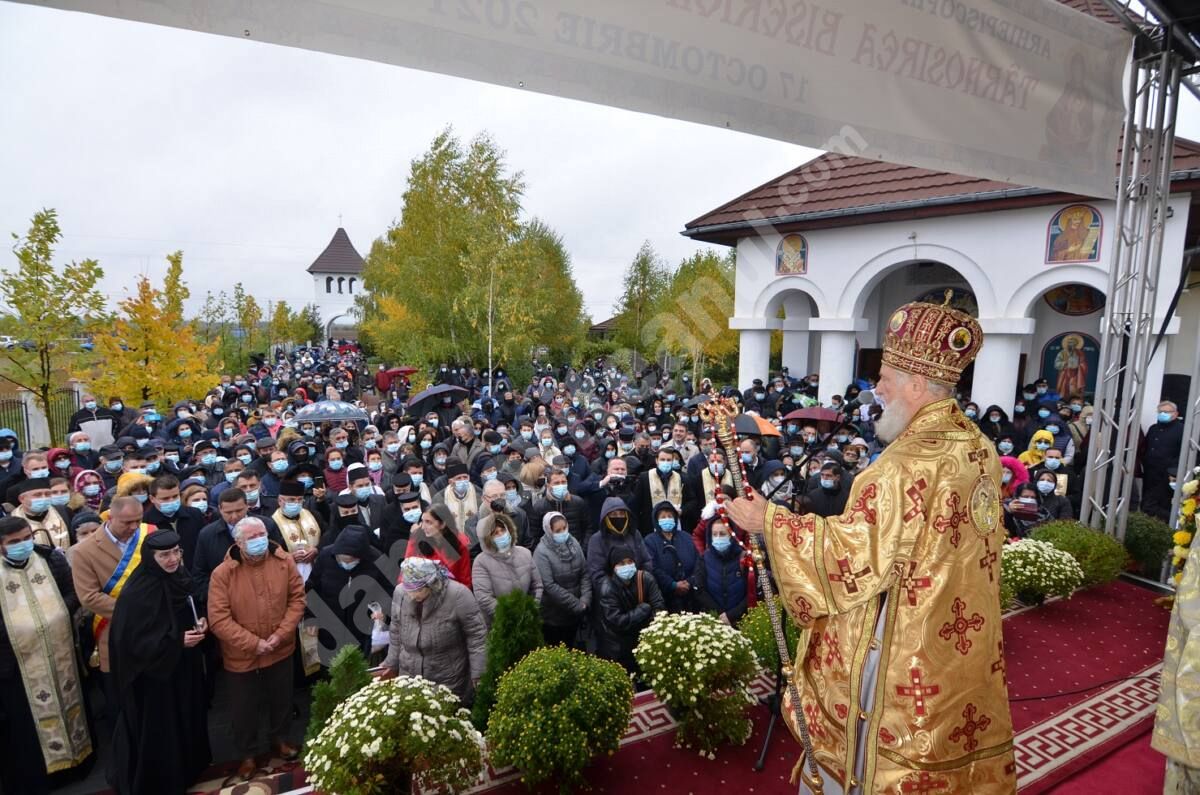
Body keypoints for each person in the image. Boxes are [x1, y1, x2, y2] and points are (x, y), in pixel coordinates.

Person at [725, 296, 1014, 793]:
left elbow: (856, 554)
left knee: (873, 758)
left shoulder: (905, 465)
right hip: (955, 643)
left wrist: (768, 520)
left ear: (918, 385)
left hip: (903, 646)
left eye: (886, 377)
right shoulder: (977, 446)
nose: (877, 388)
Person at [107, 529, 211, 795]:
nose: (173, 559)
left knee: (188, 714)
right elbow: (132, 643)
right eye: (165, 555)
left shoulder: (179, 576)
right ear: (151, 557)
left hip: (184, 665)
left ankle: (190, 767)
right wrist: (176, 642)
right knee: (164, 729)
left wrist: (199, 619)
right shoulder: (137, 592)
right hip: (155, 677)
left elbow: (189, 603)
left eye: (176, 552)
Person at [207, 516, 306, 781]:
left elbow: (297, 599)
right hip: (241, 654)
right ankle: (248, 754)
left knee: (281, 698)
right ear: (238, 542)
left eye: (261, 534)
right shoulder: (223, 573)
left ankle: (280, 740)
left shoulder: (284, 562)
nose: (259, 540)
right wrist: (254, 643)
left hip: (280, 646)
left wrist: (280, 635)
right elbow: (218, 619)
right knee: (244, 707)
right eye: (251, 537)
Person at [0, 516, 93, 795]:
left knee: (72, 703)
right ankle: (43, 775)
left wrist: (57, 614)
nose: (23, 544)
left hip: (61, 650)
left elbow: (73, 592)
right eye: (14, 542)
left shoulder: (51, 559)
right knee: (25, 723)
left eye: (26, 537)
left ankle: (78, 762)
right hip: (17, 663)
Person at [70, 497, 153, 705]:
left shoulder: (149, 533)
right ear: (110, 517)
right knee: (128, 702)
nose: (134, 527)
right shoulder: (83, 551)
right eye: (127, 522)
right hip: (116, 631)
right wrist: (136, 612)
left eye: (138, 520)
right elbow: (89, 597)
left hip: (154, 629)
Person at [378, 556, 487, 705]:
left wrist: (479, 674)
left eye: (418, 590)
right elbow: (396, 630)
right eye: (408, 589)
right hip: (409, 676)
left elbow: (477, 636)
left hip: (447, 678)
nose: (412, 595)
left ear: (432, 584)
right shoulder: (400, 593)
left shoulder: (459, 595)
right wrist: (391, 663)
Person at [305, 525, 394, 660]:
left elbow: (390, 590)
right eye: (341, 560)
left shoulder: (376, 559)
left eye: (350, 561)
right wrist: (311, 617)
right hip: (330, 626)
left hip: (363, 627)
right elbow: (312, 588)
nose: (345, 564)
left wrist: (383, 611)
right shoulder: (326, 556)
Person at [596, 543, 664, 678]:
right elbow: (617, 621)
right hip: (620, 649)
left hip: (645, 643)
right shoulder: (607, 588)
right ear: (613, 567)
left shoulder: (645, 578)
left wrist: (651, 628)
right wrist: (643, 610)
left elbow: (659, 606)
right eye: (621, 563)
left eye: (629, 562)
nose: (626, 566)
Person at [471, 513, 542, 628]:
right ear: (487, 538)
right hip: (500, 625)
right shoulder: (481, 562)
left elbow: (537, 585)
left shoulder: (525, 553)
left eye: (503, 530)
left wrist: (531, 608)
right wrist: (511, 616)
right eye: (495, 533)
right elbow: (484, 598)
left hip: (528, 621)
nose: (501, 535)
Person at [533, 511, 591, 648]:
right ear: (549, 531)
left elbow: (584, 572)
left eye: (564, 528)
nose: (563, 533)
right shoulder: (541, 552)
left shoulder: (574, 543)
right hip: (554, 617)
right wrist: (576, 605)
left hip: (576, 613)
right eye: (557, 530)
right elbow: (549, 585)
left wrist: (585, 600)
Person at [693, 515, 749, 626]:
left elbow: (752, 593)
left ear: (731, 536)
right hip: (714, 621)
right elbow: (699, 590)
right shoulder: (704, 558)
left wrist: (732, 615)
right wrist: (719, 614)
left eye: (723, 534)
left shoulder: (744, 558)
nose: (718, 538)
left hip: (741, 621)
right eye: (715, 534)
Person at [643, 501, 698, 613]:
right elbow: (653, 567)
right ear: (656, 520)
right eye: (663, 517)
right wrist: (672, 585)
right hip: (666, 597)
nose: (667, 519)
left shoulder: (686, 537)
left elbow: (698, 562)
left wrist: (689, 582)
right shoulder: (650, 541)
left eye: (670, 516)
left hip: (691, 595)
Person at [405, 503, 473, 588]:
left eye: (428, 522)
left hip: (451, 590)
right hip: (422, 590)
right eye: (422, 521)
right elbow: (406, 571)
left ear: (442, 524)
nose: (422, 527)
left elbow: (465, 578)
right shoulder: (416, 538)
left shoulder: (459, 542)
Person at [1143, 401, 1184, 520]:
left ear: (1175, 414)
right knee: (1147, 501)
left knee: (1162, 504)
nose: (1162, 414)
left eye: (1166, 412)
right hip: (1150, 472)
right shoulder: (1153, 428)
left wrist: (1174, 471)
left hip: (1168, 475)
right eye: (1160, 412)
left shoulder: (1182, 430)